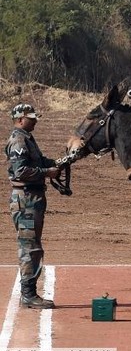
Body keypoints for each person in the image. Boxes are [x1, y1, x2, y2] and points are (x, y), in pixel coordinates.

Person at [5, 104, 61, 309]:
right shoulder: (19, 140)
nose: (35, 120)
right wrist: (48, 172)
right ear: (20, 119)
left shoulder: (26, 138)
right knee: (29, 246)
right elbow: (21, 171)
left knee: (32, 245)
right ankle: (28, 294)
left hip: (32, 198)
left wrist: (56, 163)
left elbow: (37, 161)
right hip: (26, 199)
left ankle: (29, 292)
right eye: (31, 118)